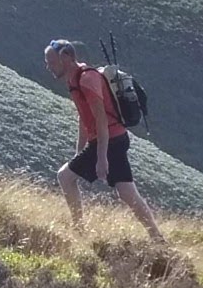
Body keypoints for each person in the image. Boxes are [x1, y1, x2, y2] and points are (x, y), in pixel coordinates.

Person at [42, 41, 159, 244]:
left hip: (109, 140)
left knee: (65, 177)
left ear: (67, 57)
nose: (48, 66)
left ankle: (79, 230)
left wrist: (101, 158)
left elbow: (101, 120)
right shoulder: (74, 80)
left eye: (51, 61)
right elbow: (84, 118)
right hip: (113, 139)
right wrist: (80, 151)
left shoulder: (87, 79)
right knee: (127, 193)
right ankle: (158, 238)